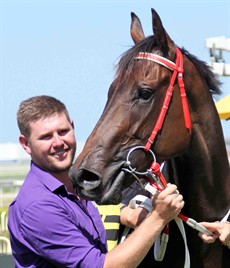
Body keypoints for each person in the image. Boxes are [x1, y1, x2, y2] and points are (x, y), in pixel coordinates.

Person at [8, 95, 184, 268]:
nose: (58, 142)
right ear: (26, 144)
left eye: (63, 131)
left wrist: (128, 214)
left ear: (72, 126)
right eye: (46, 137)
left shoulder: (75, 187)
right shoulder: (39, 207)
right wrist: (158, 218)